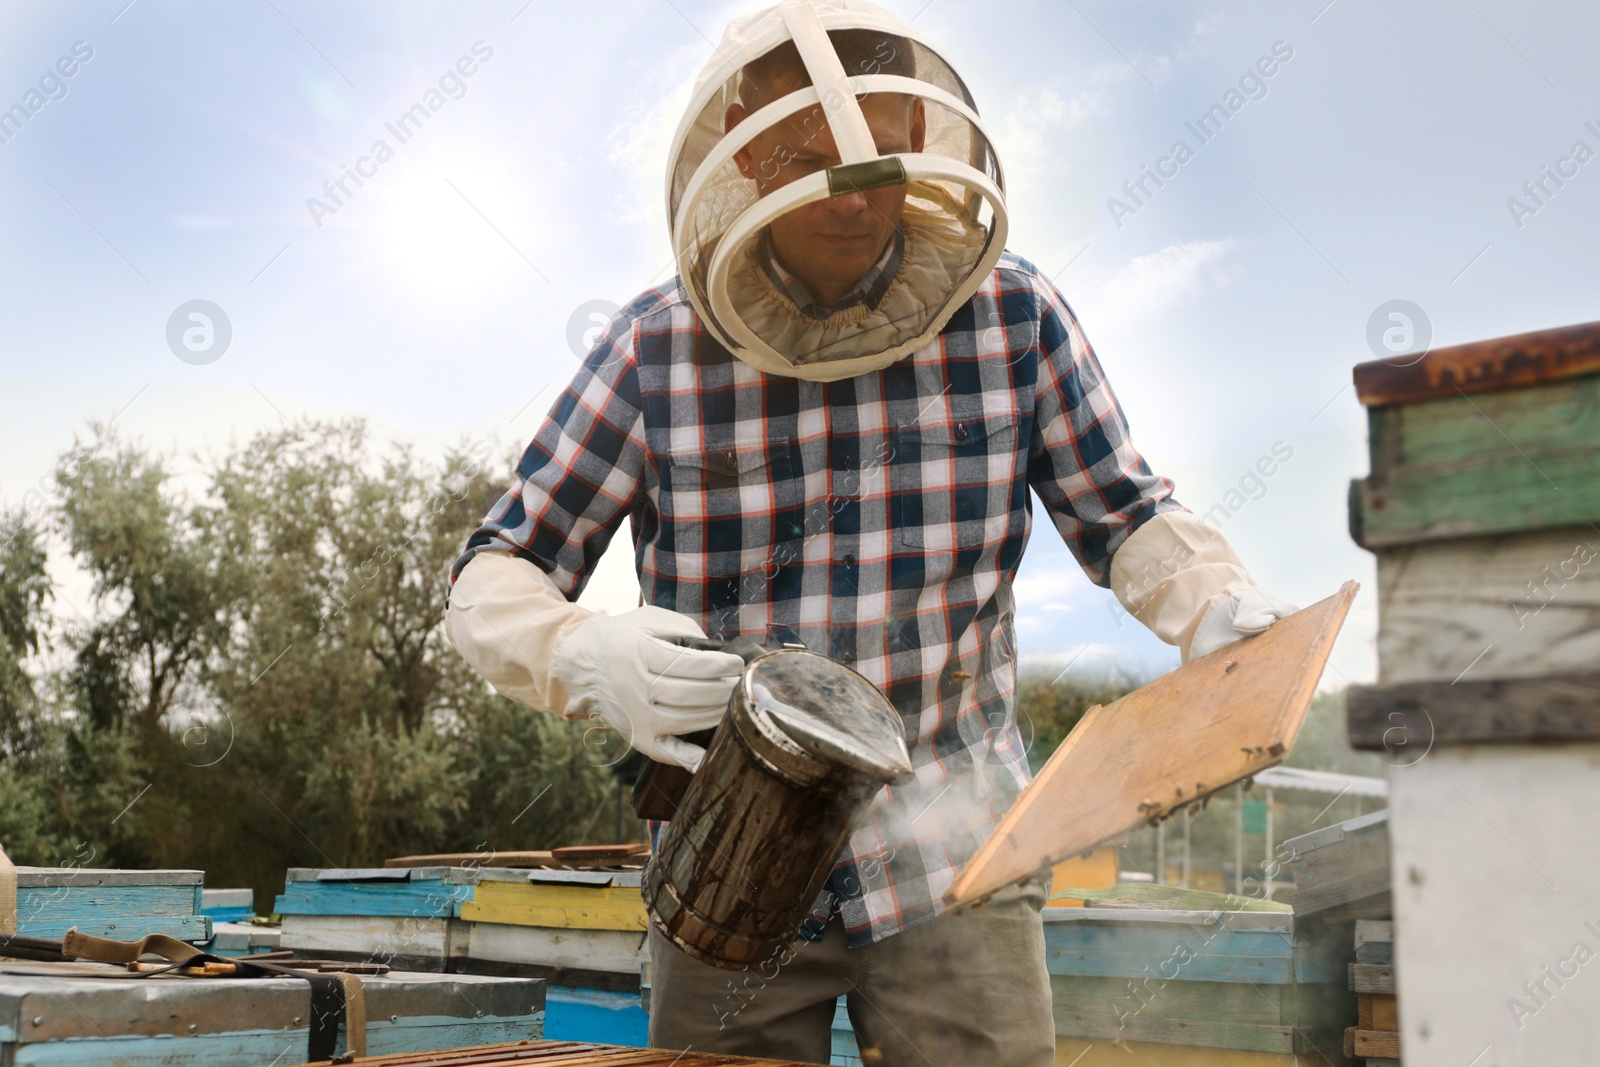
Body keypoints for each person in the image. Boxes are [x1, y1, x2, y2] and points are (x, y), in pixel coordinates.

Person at [444, 1, 1295, 1063]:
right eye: (816, 163)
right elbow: (495, 569)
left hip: (957, 862)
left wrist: (1214, 602)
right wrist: (576, 649)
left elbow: (1123, 513)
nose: (858, 200)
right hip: (728, 873)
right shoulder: (654, 348)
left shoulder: (1014, 315)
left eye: (885, 156)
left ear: (925, 130)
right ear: (747, 152)